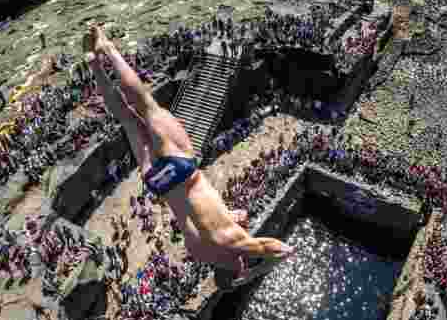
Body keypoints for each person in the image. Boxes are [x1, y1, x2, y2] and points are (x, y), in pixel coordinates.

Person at [83, 25, 294, 290]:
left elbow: (282, 251)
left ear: (239, 269)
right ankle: (94, 66)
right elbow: (201, 220)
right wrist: (228, 215)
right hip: (160, 183)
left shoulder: (235, 244)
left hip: (185, 173)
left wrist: (253, 274)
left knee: (146, 106)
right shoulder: (199, 254)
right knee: (126, 120)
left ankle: (108, 49)